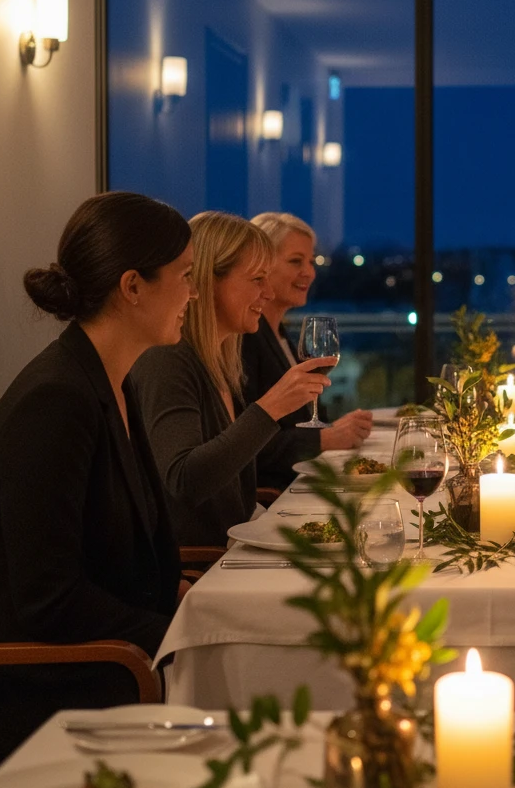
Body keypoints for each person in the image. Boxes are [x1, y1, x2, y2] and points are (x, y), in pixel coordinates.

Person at [0, 192, 191, 764]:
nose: (192, 294)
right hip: (47, 684)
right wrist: (175, 632)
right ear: (133, 286)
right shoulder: (56, 398)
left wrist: (185, 606)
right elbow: (49, 601)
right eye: (185, 276)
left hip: (103, 657)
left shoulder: (111, 384)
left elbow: (128, 556)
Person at [131, 212, 331, 547]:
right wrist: (268, 410)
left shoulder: (221, 361)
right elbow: (185, 479)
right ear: (209, 280)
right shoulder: (168, 361)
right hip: (207, 560)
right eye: (257, 280)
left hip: (238, 541)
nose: (267, 293)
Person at [243, 212, 372, 491]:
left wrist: (336, 429)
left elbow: (298, 423)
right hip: (274, 495)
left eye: (311, 262)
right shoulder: (244, 340)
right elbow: (246, 443)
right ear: (260, 266)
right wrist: (326, 439)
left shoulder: (279, 334)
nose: (310, 272)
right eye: (295, 261)